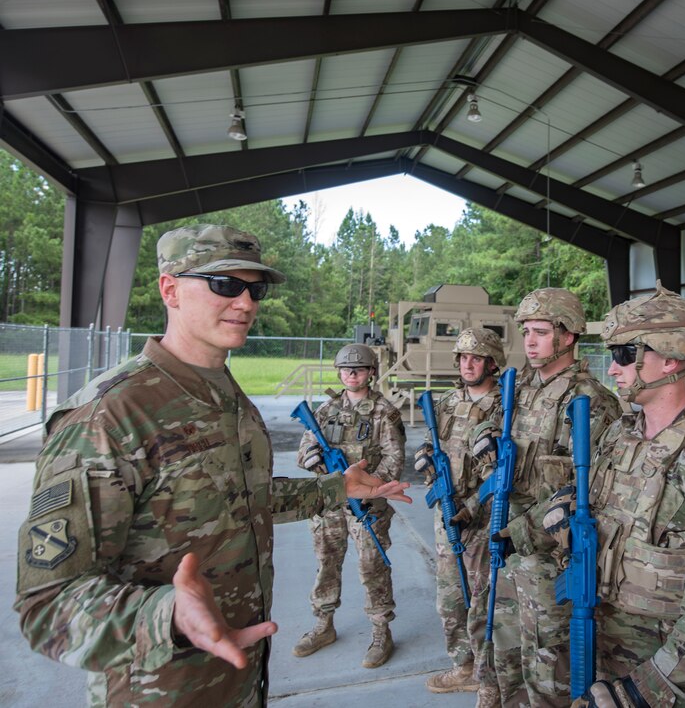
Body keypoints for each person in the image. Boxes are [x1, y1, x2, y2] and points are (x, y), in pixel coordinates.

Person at [13, 223, 410, 707]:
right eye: (224, 284)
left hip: (242, 677)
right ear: (170, 289)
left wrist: (335, 488)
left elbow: (241, 500)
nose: (246, 303)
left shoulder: (229, 398)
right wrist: (167, 615)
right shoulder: (111, 416)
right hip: (161, 690)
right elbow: (48, 603)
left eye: (255, 290)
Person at [532, 284, 685, 707]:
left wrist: (643, 691)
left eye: (625, 354)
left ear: (671, 358)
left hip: (664, 679)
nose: (613, 368)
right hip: (604, 644)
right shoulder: (620, 435)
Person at [472, 287, 622, 707]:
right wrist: (483, 435)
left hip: (547, 557)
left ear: (568, 335)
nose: (530, 342)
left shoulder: (589, 400)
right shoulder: (519, 388)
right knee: (505, 646)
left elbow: (590, 490)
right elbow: (485, 424)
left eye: (540, 332)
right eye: (526, 332)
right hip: (506, 540)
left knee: (547, 665)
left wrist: (521, 532)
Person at [293, 342, 405, 668]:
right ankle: (323, 624)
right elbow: (304, 450)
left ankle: (381, 630)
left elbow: (394, 459)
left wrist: (368, 487)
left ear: (371, 372)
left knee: (372, 565)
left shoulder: (385, 412)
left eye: (358, 369)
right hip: (329, 502)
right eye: (345, 369)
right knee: (326, 562)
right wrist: (311, 458)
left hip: (366, 504)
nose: (351, 374)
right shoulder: (326, 410)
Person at [413, 328, 506, 701]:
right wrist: (424, 456)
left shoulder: (506, 405)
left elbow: (507, 469)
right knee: (450, 599)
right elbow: (432, 441)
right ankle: (463, 666)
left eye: (476, 358)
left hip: (484, 517)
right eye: (464, 358)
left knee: (484, 601)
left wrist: (472, 507)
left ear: (492, 363)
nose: (468, 365)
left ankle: (488, 678)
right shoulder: (448, 401)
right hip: (446, 513)